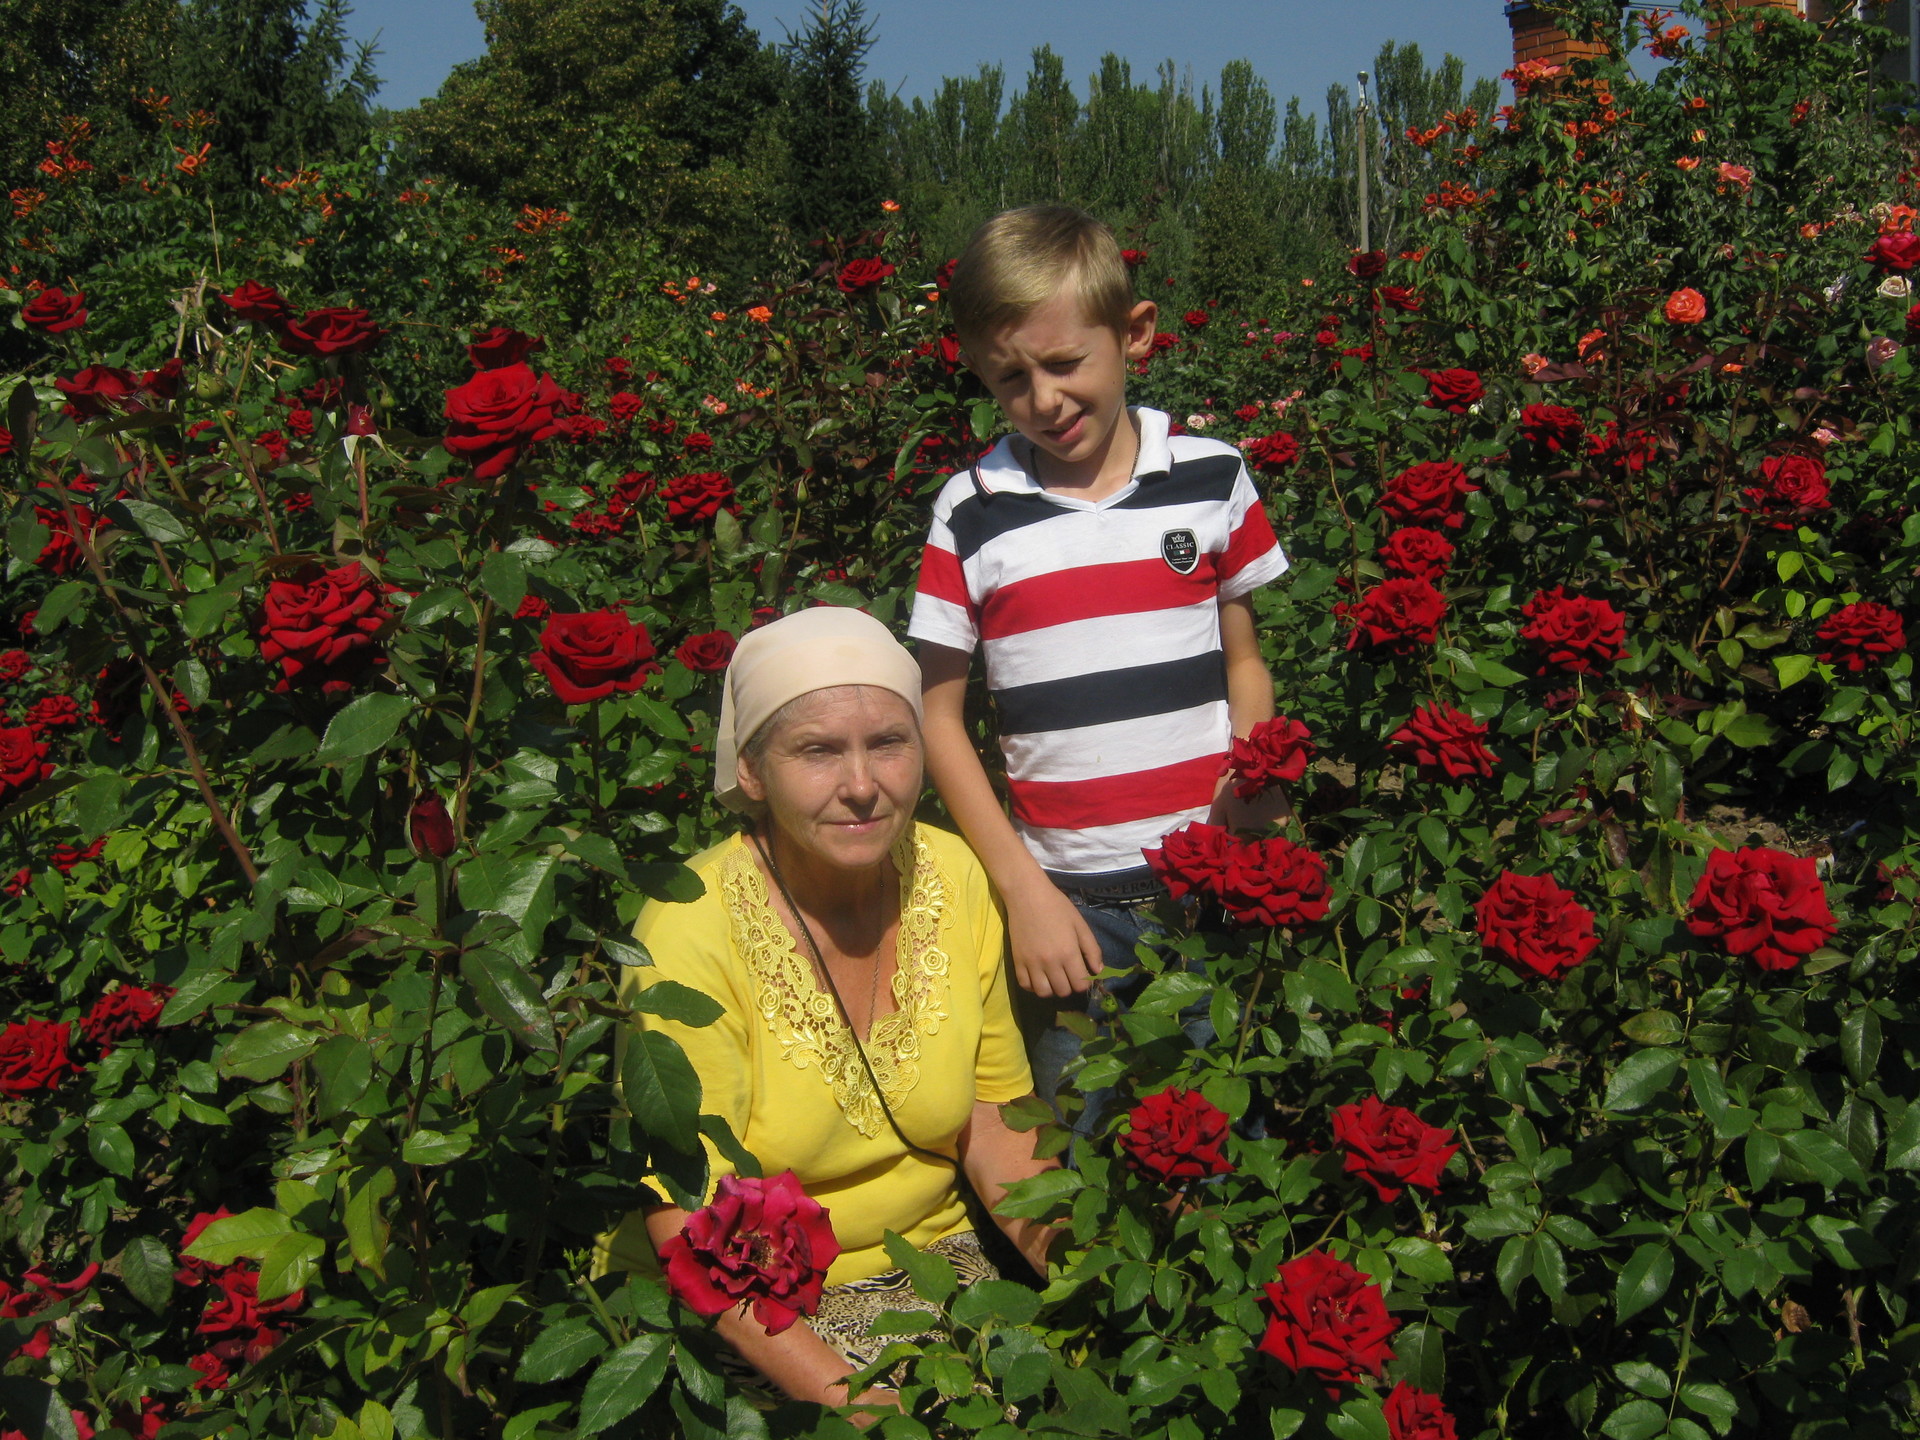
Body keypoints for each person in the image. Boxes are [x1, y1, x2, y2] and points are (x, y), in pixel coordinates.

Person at [596, 607, 1058, 1417]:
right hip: (760, 1306)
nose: (861, 784)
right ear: (751, 770)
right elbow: (688, 1218)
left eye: (889, 742)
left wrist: (1087, 1275)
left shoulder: (950, 875)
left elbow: (993, 1119)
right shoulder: (689, 933)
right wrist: (866, 1408)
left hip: (939, 1263)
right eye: (816, 751)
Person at [907, 204, 1292, 1127]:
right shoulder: (973, 511)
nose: (1042, 399)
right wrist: (1020, 890)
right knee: (1092, 1144)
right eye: (1009, 380)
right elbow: (937, 720)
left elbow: (1245, 659)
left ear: (1136, 334)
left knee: (1232, 1127)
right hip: (1072, 905)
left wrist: (1264, 775)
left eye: (1065, 364)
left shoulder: (1210, 476)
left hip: (1215, 878)